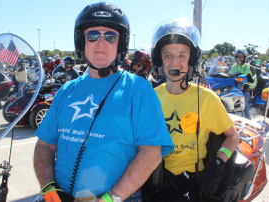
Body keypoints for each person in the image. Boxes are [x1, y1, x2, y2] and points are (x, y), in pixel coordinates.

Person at [33, 2, 174, 202]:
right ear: (82, 42)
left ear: (120, 44)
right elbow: (45, 145)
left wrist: (110, 199)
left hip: (117, 198)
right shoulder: (67, 91)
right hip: (57, 196)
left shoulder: (139, 90)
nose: (101, 42)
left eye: (110, 36)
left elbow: (151, 153)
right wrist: (48, 189)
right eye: (92, 36)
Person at [142, 18, 240, 202]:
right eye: (167, 55)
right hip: (157, 179)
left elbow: (233, 137)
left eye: (182, 55)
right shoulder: (151, 97)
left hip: (191, 183)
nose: (174, 63)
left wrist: (218, 163)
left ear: (192, 60)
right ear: (159, 60)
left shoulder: (206, 99)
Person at [228, 49, 254, 119]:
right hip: (233, 89)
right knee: (230, 106)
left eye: (241, 57)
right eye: (238, 56)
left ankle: (249, 122)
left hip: (244, 90)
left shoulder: (248, 67)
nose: (239, 58)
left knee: (244, 107)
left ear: (244, 58)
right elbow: (228, 76)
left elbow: (252, 81)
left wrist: (243, 80)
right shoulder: (233, 67)